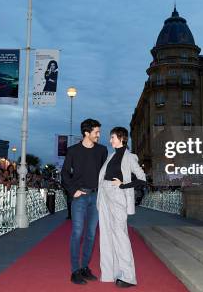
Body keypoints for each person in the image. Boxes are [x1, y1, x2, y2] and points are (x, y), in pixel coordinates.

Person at [97, 127, 146, 287]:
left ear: (121, 138)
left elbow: (142, 179)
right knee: (106, 235)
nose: (110, 140)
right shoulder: (111, 156)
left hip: (117, 195)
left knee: (120, 235)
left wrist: (124, 185)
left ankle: (128, 276)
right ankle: (110, 273)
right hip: (104, 195)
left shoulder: (130, 157)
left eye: (112, 137)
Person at [61, 118, 108, 285]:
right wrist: (73, 191)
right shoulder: (73, 151)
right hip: (80, 197)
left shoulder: (102, 150)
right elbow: (65, 173)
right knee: (77, 232)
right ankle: (75, 271)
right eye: (96, 132)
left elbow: (104, 175)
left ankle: (85, 267)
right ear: (87, 133)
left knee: (91, 234)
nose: (99, 135)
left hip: (96, 197)